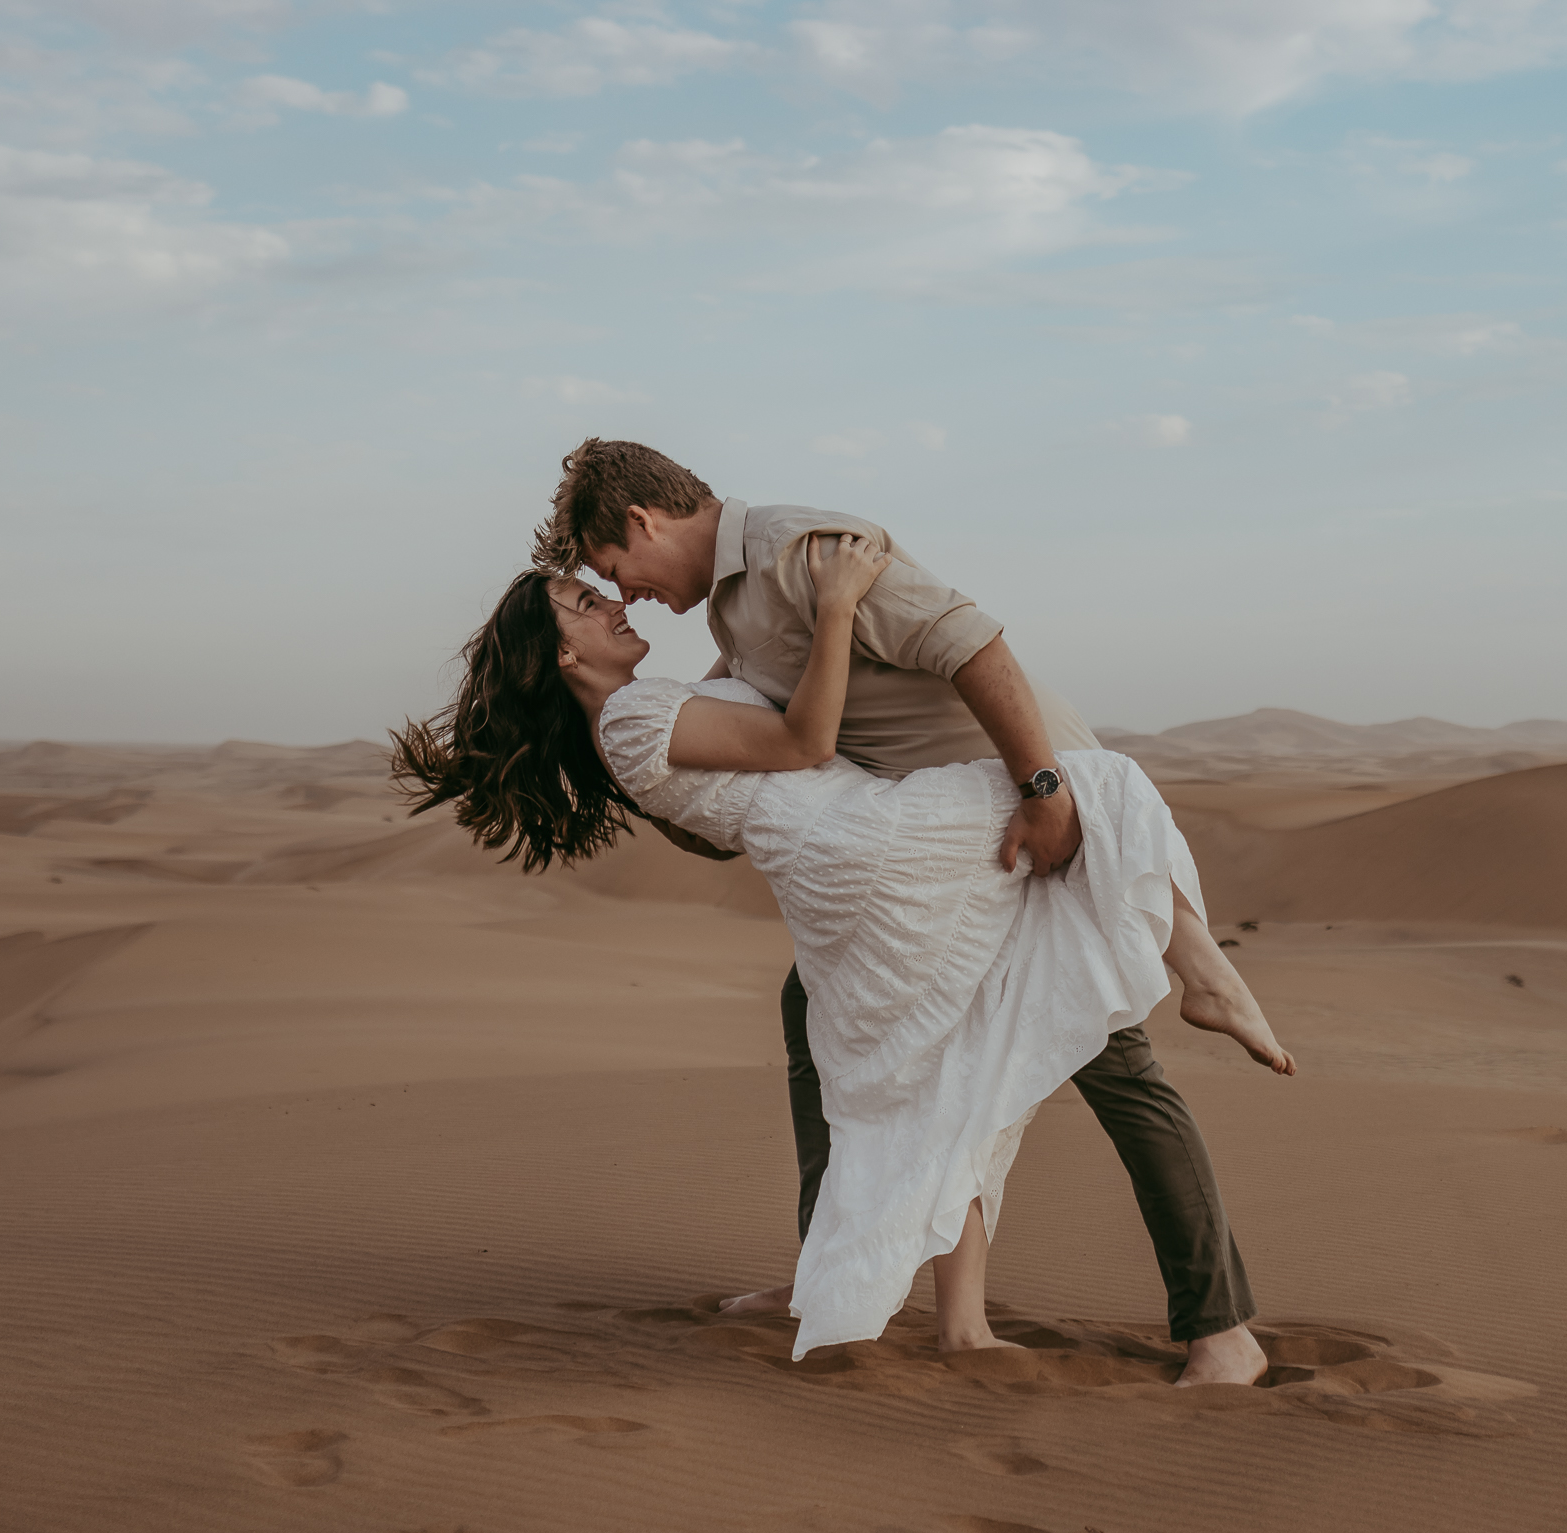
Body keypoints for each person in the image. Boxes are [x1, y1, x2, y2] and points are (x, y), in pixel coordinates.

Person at [391, 544, 1294, 1363]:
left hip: (846, 870)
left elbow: (740, 691)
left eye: (602, 588)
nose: (611, 605)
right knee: (1092, 783)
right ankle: (1209, 979)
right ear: (562, 656)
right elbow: (803, 739)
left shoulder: (639, 711)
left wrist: (745, 616)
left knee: (940, 1073)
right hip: (874, 852)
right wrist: (837, 602)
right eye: (582, 604)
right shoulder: (629, 722)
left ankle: (944, 1320)